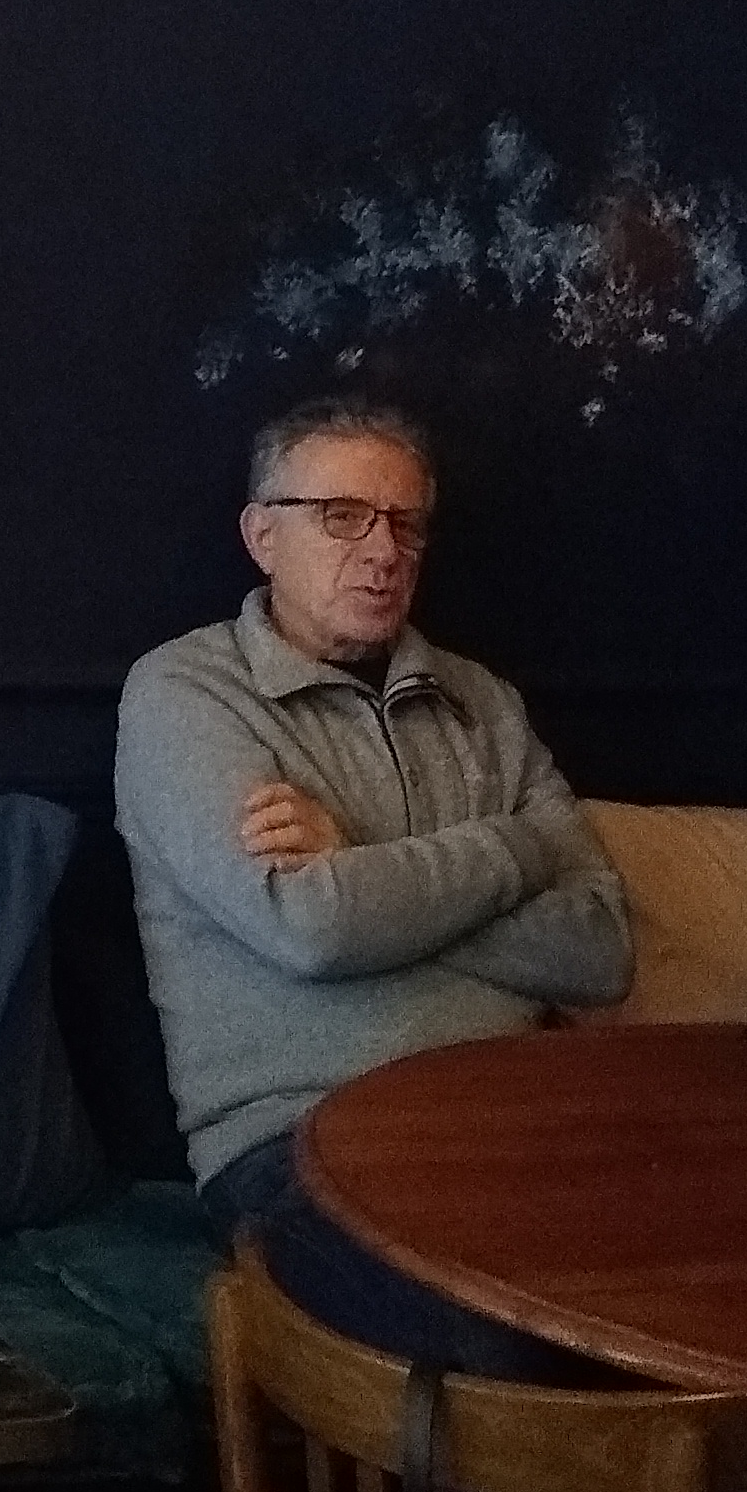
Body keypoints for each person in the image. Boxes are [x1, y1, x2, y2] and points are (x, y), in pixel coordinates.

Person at [114, 395, 631, 1372]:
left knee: (706, 1299)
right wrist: (518, 850)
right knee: (505, 1348)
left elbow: (600, 952)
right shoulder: (185, 693)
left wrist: (363, 859)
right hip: (297, 1146)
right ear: (263, 536)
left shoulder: (484, 702)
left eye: (406, 523)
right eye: (342, 516)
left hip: (521, 1128)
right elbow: (312, 929)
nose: (383, 551)